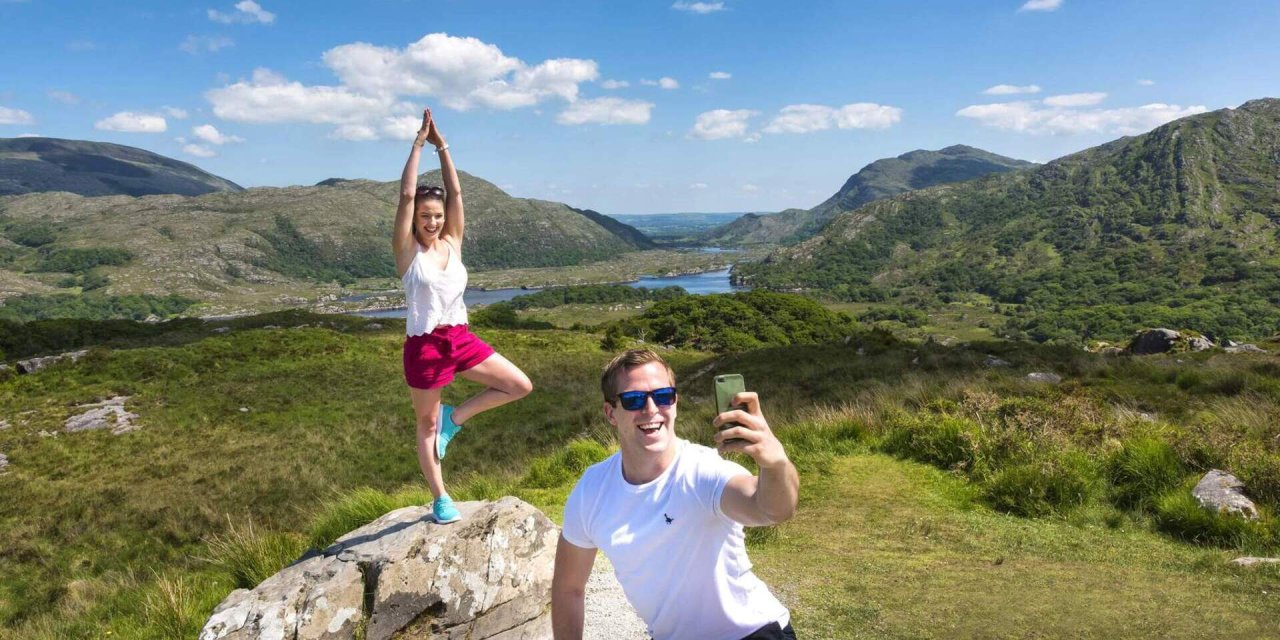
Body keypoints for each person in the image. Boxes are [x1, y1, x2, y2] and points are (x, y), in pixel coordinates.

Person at [551, 349, 800, 640]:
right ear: (611, 414)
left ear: (675, 403)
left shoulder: (702, 470)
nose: (651, 409)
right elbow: (568, 588)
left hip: (751, 633)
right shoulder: (591, 491)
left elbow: (772, 509)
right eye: (633, 400)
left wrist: (776, 464)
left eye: (663, 396)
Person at [393, 108, 533, 524]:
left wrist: (444, 147)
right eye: (425, 216)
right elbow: (404, 196)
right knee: (425, 424)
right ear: (414, 220)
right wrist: (418, 144)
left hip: (460, 338)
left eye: (436, 215)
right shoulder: (406, 253)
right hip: (424, 347)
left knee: (519, 385)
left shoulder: (453, 241)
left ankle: (457, 417)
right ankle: (440, 498)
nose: (433, 221)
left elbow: (457, 196)